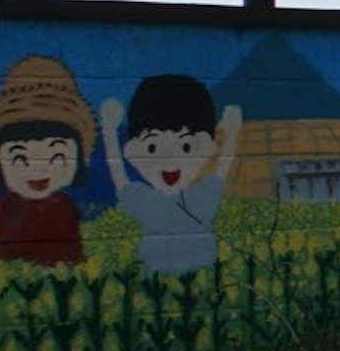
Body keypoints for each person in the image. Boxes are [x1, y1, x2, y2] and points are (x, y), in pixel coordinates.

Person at [101, 73, 241, 278]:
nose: (170, 161)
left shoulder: (198, 198)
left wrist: (231, 133)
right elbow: (119, 177)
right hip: (158, 281)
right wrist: (109, 132)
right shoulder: (148, 200)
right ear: (131, 150)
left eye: (186, 146)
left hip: (198, 279)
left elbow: (119, 176)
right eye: (152, 147)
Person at [0, 55, 95, 266]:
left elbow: (71, 257)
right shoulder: (8, 207)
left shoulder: (63, 208)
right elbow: (0, 256)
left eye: (57, 156)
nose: (40, 167)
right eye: (20, 157)